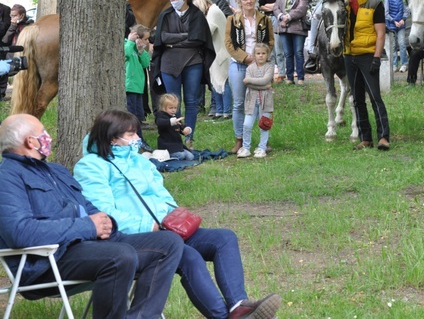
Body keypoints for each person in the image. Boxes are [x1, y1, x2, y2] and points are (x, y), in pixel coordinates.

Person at [74, 109, 282, 319]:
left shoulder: (140, 161)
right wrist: (150, 226)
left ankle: (238, 306)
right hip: (135, 237)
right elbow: (104, 215)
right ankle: (225, 317)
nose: (138, 139)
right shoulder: (91, 167)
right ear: (112, 139)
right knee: (187, 254)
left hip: (168, 228)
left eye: (137, 133)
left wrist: (176, 216)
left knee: (224, 238)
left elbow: (162, 195)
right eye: (131, 135)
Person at [0, 114, 183, 319]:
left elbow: (85, 205)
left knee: (169, 243)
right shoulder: (7, 178)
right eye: (43, 133)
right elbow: (20, 232)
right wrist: (88, 226)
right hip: (47, 261)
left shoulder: (56, 170)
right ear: (30, 141)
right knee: (120, 255)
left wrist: (105, 222)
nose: (48, 136)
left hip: (89, 245)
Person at [151, 0, 216, 149]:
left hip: (193, 62)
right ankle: (176, 138)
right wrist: (185, 36)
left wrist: (174, 41)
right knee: (174, 102)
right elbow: (163, 37)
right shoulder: (165, 15)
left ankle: (189, 137)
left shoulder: (197, 15)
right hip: (169, 63)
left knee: (191, 101)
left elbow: (198, 39)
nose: (172, 0)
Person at [343, 0, 391, 151]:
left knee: (375, 97)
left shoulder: (374, 3)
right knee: (357, 99)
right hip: (349, 55)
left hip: (368, 55)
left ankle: (384, 137)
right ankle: (365, 138)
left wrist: (377, 57)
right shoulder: (345, 4)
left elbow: (380, 34)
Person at [225, 0, 274, 154]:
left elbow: (270, 41)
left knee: (262, 101)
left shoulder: (264, 20)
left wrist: (261, 57)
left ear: (255, 0)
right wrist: (245, 57)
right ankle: (240, 139)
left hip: (260, 64)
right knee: (239, 102)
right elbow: (229, 43)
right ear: (239, 2)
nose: (249, 2)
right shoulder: (232, 19)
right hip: (239, 63)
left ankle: (263, 140)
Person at [193, 0, 232, 120]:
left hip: (220, 52)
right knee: (216, 83)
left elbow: (207, 32)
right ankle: (220, 111)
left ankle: (227, 111)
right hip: (216, 52)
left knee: (223, 83)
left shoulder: (213, 12)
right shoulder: (212, 11)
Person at [273, 0, 309, 85]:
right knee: (287, 53)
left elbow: (301, 9)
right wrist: (281, 16)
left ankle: (300, 78)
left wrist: (288, 17)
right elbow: (276, 7)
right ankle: (289, 78)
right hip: (284, 28)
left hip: (298, 27)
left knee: (298, 52)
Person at [240, 43, 274, 158]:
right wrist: (265, 86)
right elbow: (261, 84)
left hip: (266, 102)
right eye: (258, 53)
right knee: (247, 124)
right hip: (251, 101)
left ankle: (262, 147)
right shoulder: (250, 68)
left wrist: (249, 80)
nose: (261, 56)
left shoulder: (269, 67)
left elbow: (265, 80)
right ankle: (246, 147)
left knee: (264, 125)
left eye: (263, 53)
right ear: (254, 55)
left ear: (267, 55)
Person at [125, 24, 152, 140]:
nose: (147, 42)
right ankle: (135, 139)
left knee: (139, 115)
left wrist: (141, 51)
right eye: (145, 39)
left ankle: (139, 139)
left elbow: (146, 63)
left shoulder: (138, 49)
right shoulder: (127, 45)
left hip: (138, 87)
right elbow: (125, 54)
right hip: (130, 87)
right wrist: (131, 42)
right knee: (132, 115)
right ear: (137, 37)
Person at [260, 0, 286, 82]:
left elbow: (280, 5)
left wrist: (270, 6)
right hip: (266, 18)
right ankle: (269, 73)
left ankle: (281, 72)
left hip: (277, 18)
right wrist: (273, 6)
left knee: (278, 47)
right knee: (267, 46)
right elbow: (260, 5)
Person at [154, 93, 195, 160]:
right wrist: (172, 121)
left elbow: (181, 127)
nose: (173, 110)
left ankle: (179, 154)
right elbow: (160, 123)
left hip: (177, 145)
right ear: (163, 108)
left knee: (191, 157)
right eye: (170, 108)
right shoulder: (160, 115)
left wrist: (186, 130)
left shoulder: (175, 116)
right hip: (167, 146)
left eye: (175, 108)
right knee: (181, 155)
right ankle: (169, 156)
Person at [384, 0, 410, 73]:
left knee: (402, 44)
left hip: (401, 26)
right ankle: (394, 64)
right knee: (393, 46)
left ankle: (404, 64)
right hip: (391, 26)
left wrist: (403, 19)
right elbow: (386, 14)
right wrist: (394, 21)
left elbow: (405, 10)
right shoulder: (387, 0)